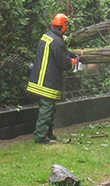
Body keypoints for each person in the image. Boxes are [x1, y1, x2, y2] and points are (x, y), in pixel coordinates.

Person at [27, 13, 80, 144]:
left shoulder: (48, 37)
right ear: (63, 27)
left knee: (49, 108)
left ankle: (48, 133)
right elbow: (63, 63)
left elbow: (60, 51)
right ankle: (41, 137)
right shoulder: (57, 41)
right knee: (46, 109)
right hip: (47, 82)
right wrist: (72, 62)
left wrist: (71, 54)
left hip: (40, 79)